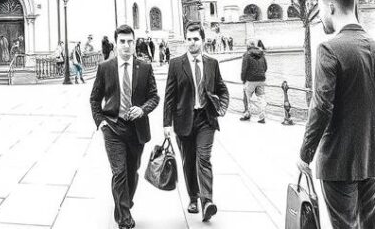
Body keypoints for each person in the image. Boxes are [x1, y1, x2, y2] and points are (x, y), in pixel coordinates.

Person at [298, 0, 375, 229]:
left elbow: (322, 106)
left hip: (338, 158)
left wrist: (306, 153)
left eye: (320, 10)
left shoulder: (329, 49)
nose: (320, 17)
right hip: (373, 156)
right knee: (370, 223)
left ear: (332, 7)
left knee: (345, 224)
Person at [90, 24, 159, 229]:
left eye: (130, 41)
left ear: (134, 42)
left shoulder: (144, 67)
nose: (126, 46)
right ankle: (124, 218)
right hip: (112, 126)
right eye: (122, 42)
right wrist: (100, 122)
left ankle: (123, 204)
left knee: (132, 170)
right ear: (116, 43)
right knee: (119, 172)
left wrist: (143, 109)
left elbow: (154, 96)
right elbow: (95, 99)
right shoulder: (105, 67)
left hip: (136, 128)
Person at [164, 22, 229, 222]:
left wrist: (221, 107)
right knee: (188, 161)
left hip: (205, 119)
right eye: (189, 39)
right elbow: (169, 96)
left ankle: (207, 201)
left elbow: (222, 89)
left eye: (196, 39)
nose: (192, 43)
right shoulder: (176, 64)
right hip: (184, 120)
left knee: (204, 158)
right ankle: (193, 197)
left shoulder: (212, 63)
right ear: (186, 40)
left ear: (203, 40)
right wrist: (166, 124)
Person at [239, 40, 268, 124]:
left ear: (248, 46)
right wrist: (261, 74)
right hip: (261, 78)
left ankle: (247, 114)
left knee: (247, 97)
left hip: (250, 79)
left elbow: (244, 68)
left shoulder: (247, 54)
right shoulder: (261, 53)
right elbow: (265, 67)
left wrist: (243, 79)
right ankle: (262, 117)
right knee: (261, 98)